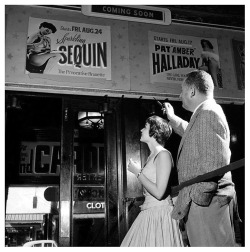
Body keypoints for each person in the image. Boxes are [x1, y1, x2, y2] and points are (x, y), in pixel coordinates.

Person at [163, 70, 239, 246]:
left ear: (192, 91)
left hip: (205, 203)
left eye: (182, 91)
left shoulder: (208, 113)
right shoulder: (206, 113)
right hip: (205, 203)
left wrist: (194, 197)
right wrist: (173, 118)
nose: (180, 95)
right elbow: (195, 134)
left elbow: (215, 162)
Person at [121, 115, 184, 247]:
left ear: (154, 132)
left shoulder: (163, 155)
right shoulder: (151, 156)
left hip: (160, 213)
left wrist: (137, 172)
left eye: (145, 127)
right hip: (149, 210)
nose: (141, 130)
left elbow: (159, 192)